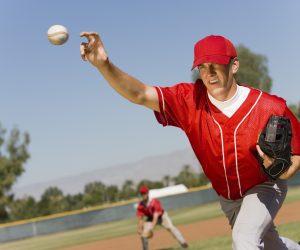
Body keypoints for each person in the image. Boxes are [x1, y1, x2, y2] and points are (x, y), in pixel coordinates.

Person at [80, 32, 300, 249]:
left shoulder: (269, 106)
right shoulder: (189, 101)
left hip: (264, 185)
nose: (209, 73)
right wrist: (104, 65)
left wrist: (285, 171)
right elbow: (140, 94)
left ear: (234, 66)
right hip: (228, 197)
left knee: (244, 240)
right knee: (272, 246)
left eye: (216, 64)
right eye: (202, 67)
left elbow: (297, 152)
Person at [136, 185, 188, 249]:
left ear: (147, 193)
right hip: (150, 218)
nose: (143, 194)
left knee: (171, 228)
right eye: (142, 193)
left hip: (162, 217)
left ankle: (183, 242)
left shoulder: (154, 202)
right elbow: (140, 218)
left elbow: (155, 217)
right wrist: (140, 229)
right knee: (144, 234)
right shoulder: (140, 205)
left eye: (144, 193)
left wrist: (152, 227)